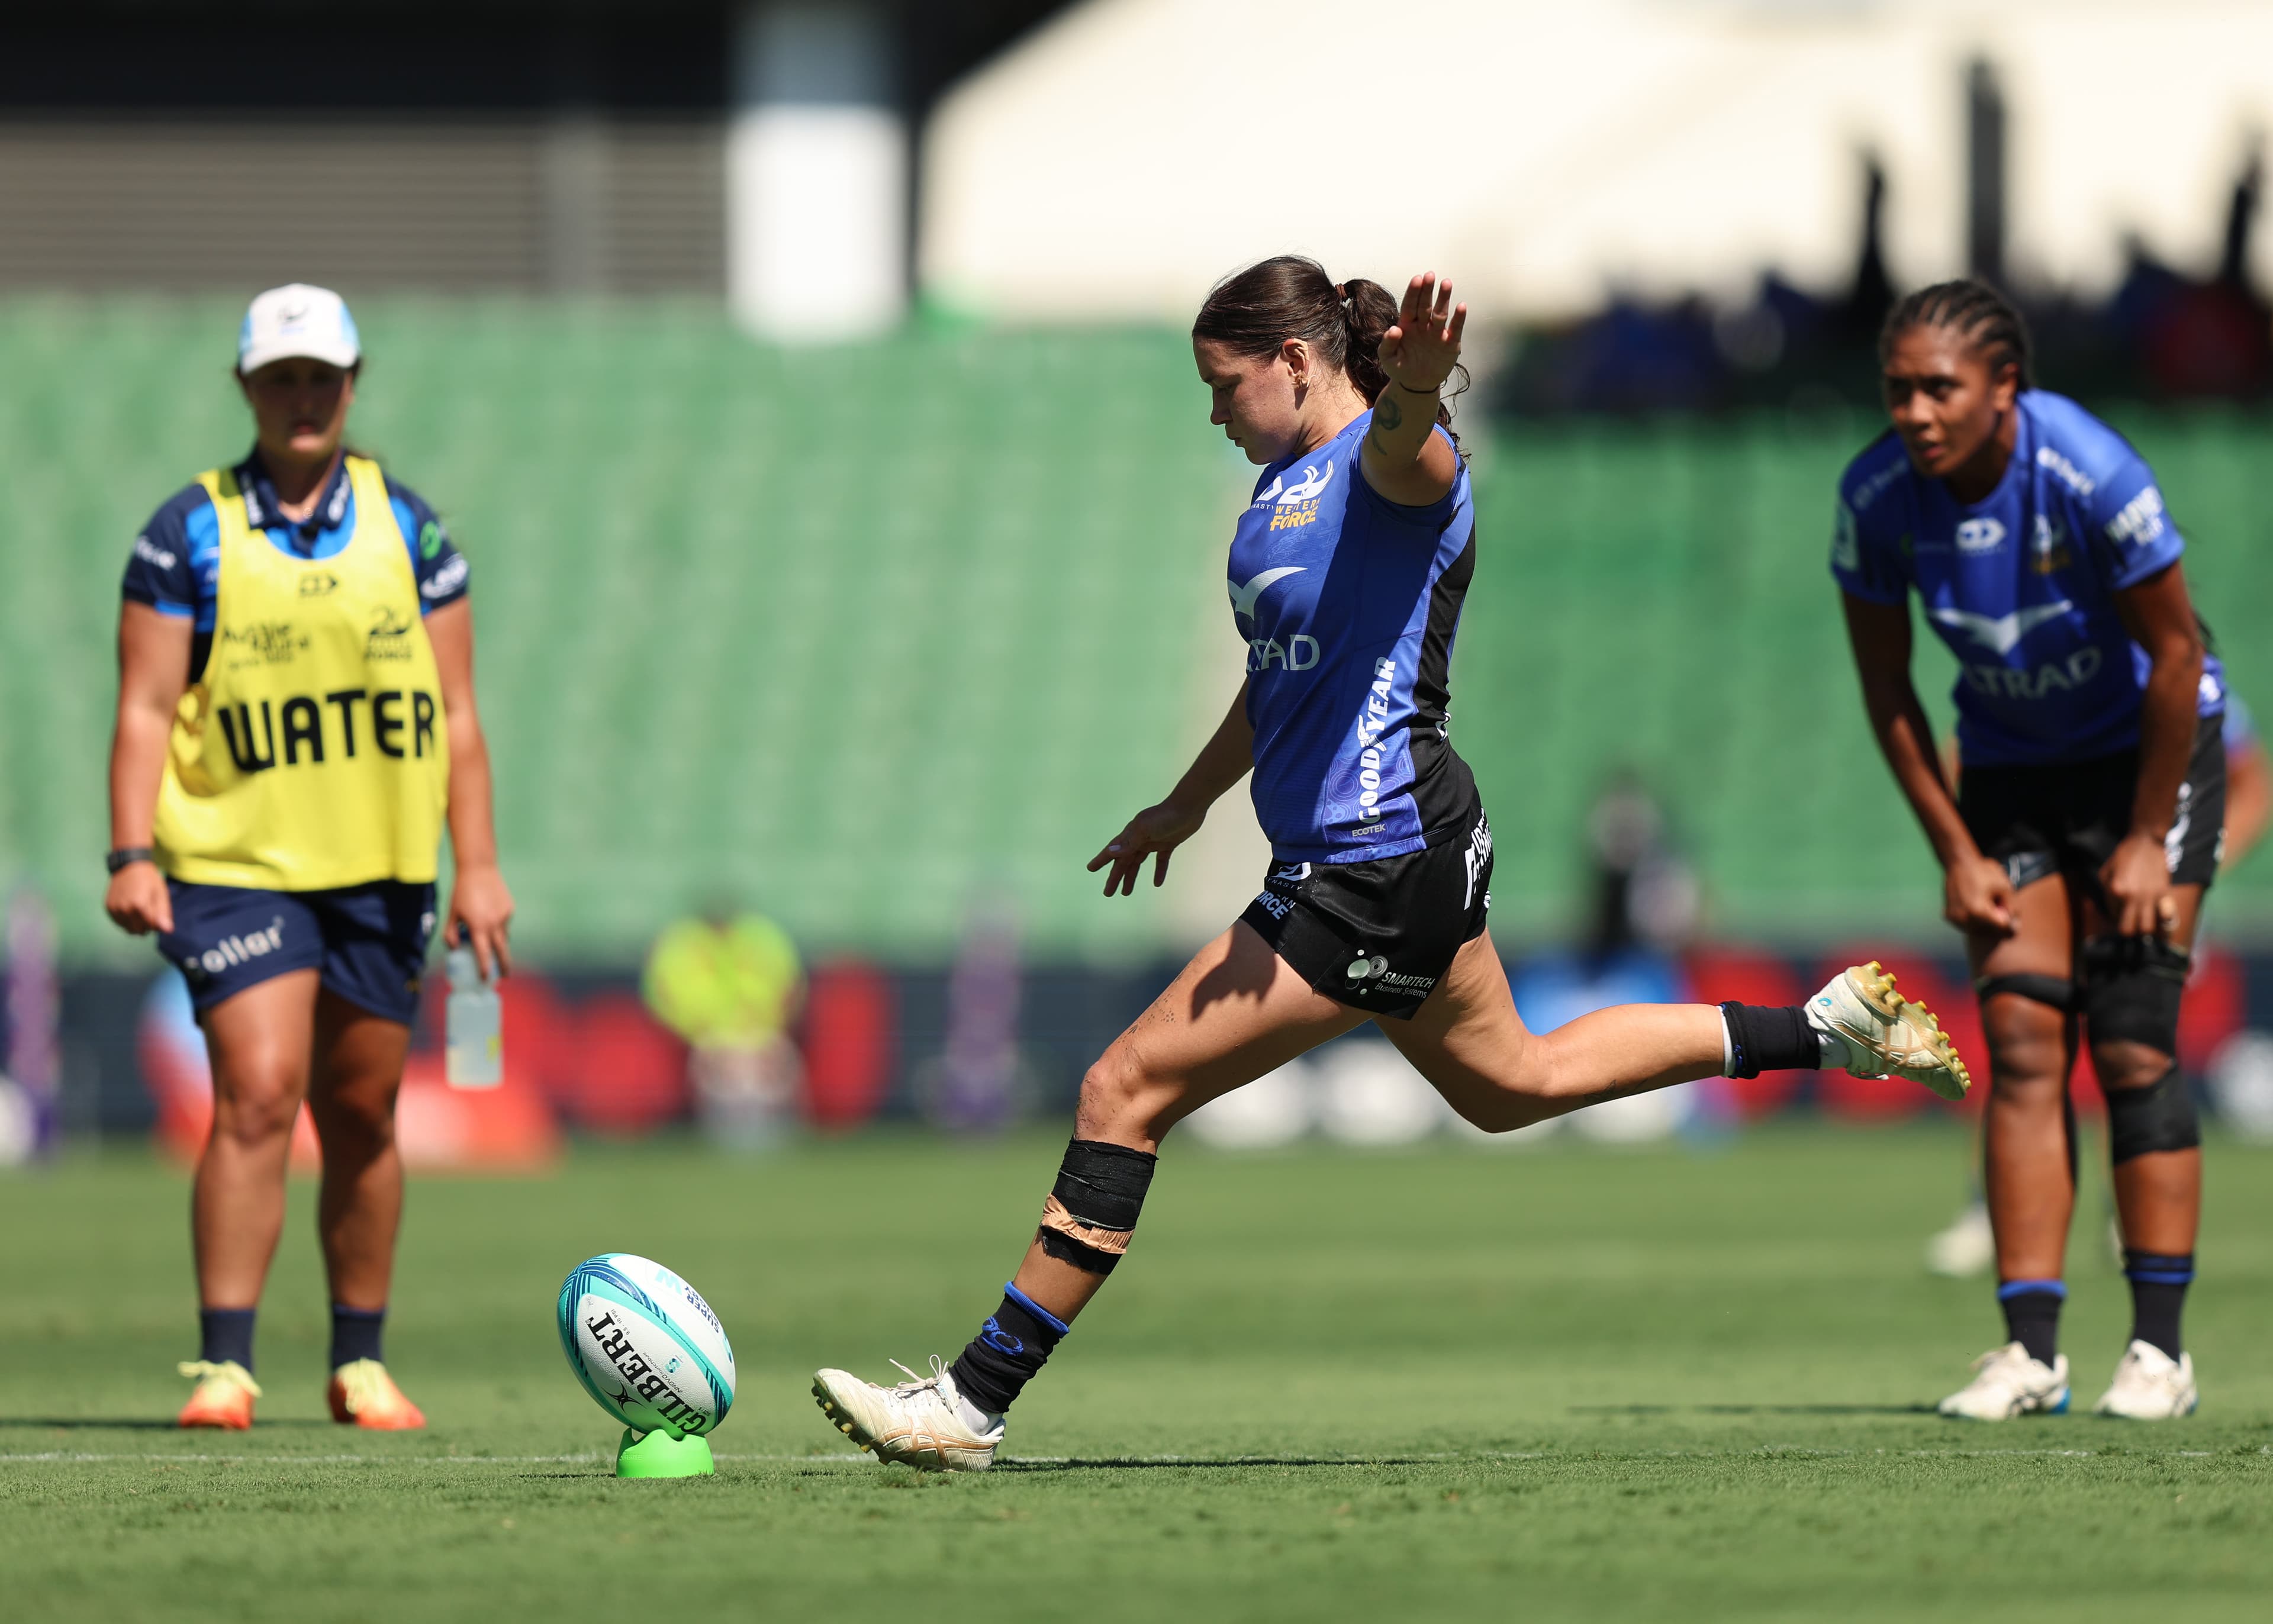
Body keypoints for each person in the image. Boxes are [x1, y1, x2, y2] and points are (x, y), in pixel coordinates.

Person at [809, 256, 1969, 1471]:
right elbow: (1280, 679)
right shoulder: (1277, 491)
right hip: (1401, 851)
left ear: (1296, 361)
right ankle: (1821, 1026)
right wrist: (1186, 803)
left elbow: (1411, 451)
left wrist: (1412, 391)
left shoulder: (1392, 463)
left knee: (1122, 1090)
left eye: (1224, 384)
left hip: (1373, 859)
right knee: (1512, 1082)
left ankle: (971, 1403)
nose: (1215, 410)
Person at [104, 284, 513, 1430]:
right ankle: (226, 1363)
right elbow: (145, 707)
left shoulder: (411, 530)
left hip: (381, 866)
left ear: (352, 382)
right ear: (246, 386)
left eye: (320, 376)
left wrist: (479, 866)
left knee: (364, 1109)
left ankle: (359, 1359)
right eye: (280, 376)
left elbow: (459, 714)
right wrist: (132, 850)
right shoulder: (186, 532)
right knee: (258, 1089)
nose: (302, 396)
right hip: (232, 859)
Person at [1835, 280, 2224, 1420]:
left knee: (2134, 1040)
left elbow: (2177, 657)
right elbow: (1887, 686)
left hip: (2148, 759)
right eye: (1898, 389)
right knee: (2017, 1040)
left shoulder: (2090, 471)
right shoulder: (1875, 495)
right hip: (2009, 772)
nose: (1914, 412)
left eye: (1939, 388)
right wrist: (1954, 847)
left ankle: (2159, 1354)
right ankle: (2030, 1352)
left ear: (2005, 386)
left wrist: (2148, 835)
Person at [1924, 695, 2269, 1278]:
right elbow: (1960, 756)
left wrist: (2194, 860)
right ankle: (1989, 1208)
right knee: (2021, 1049)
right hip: (2049, 878)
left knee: (2132, 1050)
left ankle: (2128, 1214)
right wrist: (1981, 845)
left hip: (2145, 889)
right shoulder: (2054, 672)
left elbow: (2251, 784)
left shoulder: (2198, 690)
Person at [642, 901, 804, 1146]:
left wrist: (770, 1022)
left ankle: (775, 1131)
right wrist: (695, 1027)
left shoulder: (761, 935)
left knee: (771, 1065)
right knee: (724, 1070)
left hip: (761, 1031)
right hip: (708, 1036)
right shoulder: (682, 941)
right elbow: (662, 995)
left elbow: (792, 989)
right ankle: (727, 1132)